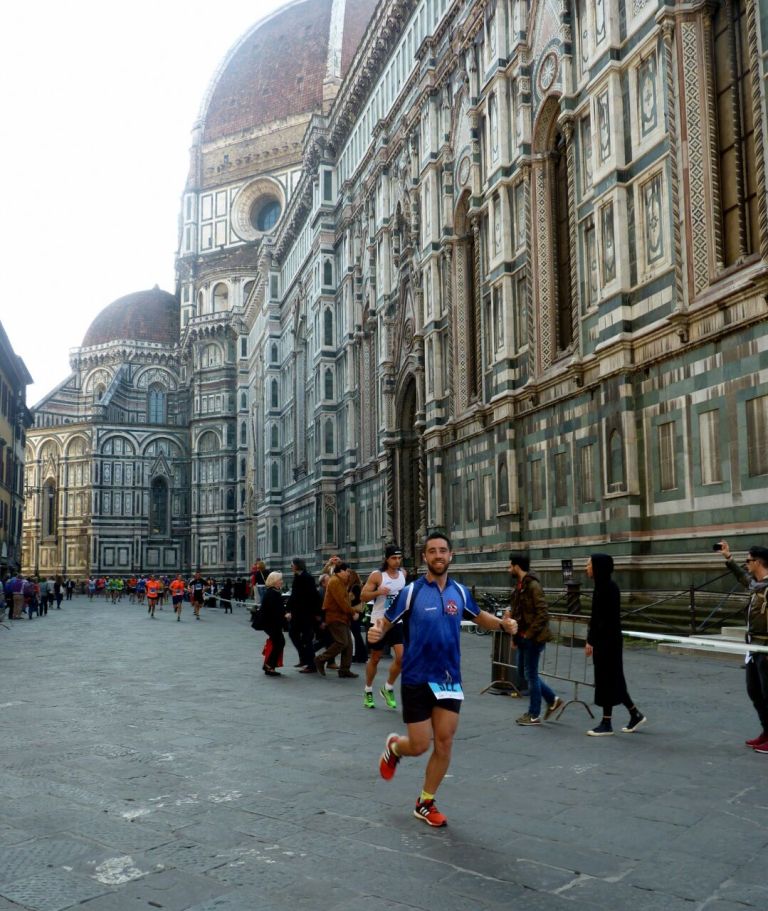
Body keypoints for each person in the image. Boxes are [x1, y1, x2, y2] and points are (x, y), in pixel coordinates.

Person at [370, 532, 518, 827]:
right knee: (420, 745)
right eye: (432, 551)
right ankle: (396, 748)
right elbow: (385, 621)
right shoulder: (410, 592)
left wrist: (501, 624)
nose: (438, 555)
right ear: (424, 557)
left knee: (445, 743)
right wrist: (376, 632)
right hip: (416, 677)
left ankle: (425, 802)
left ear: (451, 556)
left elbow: (479, 617)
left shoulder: (460, 592)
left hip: (449, 678)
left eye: (443, 551)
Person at [584, 554, 646, 736]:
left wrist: (591, 640)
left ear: (597, 567)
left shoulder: (608, 589)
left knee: (607, 678)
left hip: (608, 641)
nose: (586, 568)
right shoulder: (603, 587)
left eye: (588, 564)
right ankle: (634, 714)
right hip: (607, 640)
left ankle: (607, 723)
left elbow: (601, 619)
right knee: (613, 679)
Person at [721, 541, 768, 753]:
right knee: (755, 692)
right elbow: (742, 577)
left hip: (766, 648)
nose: (746, 564)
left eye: (748, 560)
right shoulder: (756, 585)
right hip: (753, 647)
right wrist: (728, 559)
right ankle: (766, 731)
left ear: (758, 562)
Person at [505, 553, 562, 726]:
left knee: (530, 674)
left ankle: (533, 714)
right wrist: (515, 636)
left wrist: (528, 634)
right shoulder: (520, 586)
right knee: (524, 673)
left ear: (517, 566)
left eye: (510, 566)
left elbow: (542, 613)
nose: (508, 569)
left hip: (533, 638)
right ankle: (552, 699)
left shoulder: (533, 585)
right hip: (522, 637)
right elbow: (519, 613)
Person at [360, 545, 406, 709]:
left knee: (402, 657)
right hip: (378, 623)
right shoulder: (377, 575)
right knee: (375, 658)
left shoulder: (403, 574)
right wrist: (378, 592)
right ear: (386, 559)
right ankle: (368, 690)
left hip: (396, 622)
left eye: (399, 558)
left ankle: (388, 687)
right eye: (394, 558)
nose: (397, 561)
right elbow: (363, 596)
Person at [314, 563, 359, 678]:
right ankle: (320, 659)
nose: (348, 574)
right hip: (335, 617)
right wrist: (353, 612)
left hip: (342, 617)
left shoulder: (340, 582)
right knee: (342, 642)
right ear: (340, 571)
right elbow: (342, 602)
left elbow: (345, 600)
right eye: (347, 571)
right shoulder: (335, 582)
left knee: (348, 645)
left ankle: (344, 669)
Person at [287, 558, 322, 672]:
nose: (290, 566)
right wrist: (288, 609)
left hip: (306, 614)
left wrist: (317, 613)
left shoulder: (307, 578)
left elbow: (314, 596)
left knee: (307, 639)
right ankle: (304, 658)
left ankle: (311, 665)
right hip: (297, 613)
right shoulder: (297, 576)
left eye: (292, 564)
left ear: (297, 566)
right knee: (293, 634)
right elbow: (294, 595)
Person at [261, 571, 289, 676]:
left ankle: (269, 665)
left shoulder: (272, 592)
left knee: (279, 642)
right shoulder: (273, 593)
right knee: (279, 642)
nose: (282, 582)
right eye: (280, 580)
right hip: (271, 623)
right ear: (274, 581)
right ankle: (269, 666)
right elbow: (275, 610)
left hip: (271, 623)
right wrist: (285, 615)